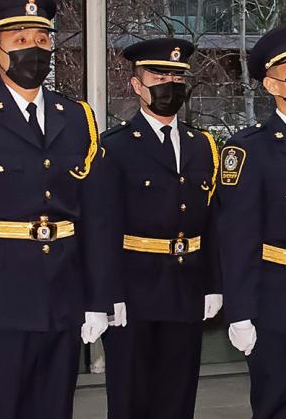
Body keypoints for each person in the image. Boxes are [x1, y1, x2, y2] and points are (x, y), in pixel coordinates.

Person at [0, 0, 118, 419]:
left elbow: (96, 219)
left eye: (42, 39)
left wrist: (97, 298)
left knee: (55, 410)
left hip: (63, 298)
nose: (34, 49)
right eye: (20, 41)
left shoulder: (77, 118)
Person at [100, 38, 222, 419]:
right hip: (134, 291)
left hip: (186, 288)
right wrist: (107, 294)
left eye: (176, 76)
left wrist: (214, 284)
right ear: (137, 85)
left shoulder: (203, 145)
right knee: (131, 396)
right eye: (158, 75)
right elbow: (103, 227)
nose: (169, 84)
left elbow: (214, 221)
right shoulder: (114, 147)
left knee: (178, 396)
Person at [218, 23, 286, 419]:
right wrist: (240, 312)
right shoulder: (250, 150)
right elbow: (238, 236)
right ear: (272, 86)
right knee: (277, 404)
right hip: (278, 303)